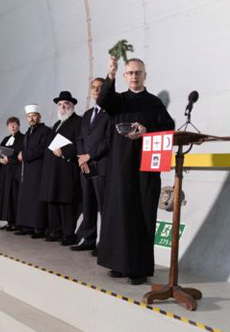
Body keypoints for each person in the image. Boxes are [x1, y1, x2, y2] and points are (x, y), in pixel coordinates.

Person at [96, 56, 175, 285]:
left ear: (145, 75)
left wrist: (146, 130)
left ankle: (139, 269)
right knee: (119, 214)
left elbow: (168, 128)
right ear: (124, 76)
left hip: (145, 169)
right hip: (120, 167)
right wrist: (110, 74)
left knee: (141, 215)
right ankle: (119, 264)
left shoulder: (154, 103)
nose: (134, 76)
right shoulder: (118, 101)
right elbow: (103, 100)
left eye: (138, 72)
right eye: (129, 73)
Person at [72, 78, 112, 253]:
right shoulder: (87, 114)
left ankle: (104, 244)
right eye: (93, 88)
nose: (96, 91)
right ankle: (88, 239)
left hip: (101, 165)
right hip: (86, 166)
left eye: (100, 88)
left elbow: (108, 140)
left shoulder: (111, 112)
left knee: (103, 206)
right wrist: (81, 157)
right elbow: (80, 138)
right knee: (88, 203)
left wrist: (90, 155)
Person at [39, 91, 83, 245]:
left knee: (66, 203)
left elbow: (81, 144)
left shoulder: (79, 122)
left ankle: (68, 235)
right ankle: (56, 231)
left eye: (66, 104)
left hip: (67, 168)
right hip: (53, 170)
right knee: (53, 201)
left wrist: (65, 151)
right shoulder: (57, 124)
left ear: (72, 106)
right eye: (60, 104)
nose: (62, 107)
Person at [15, 104, 52, 237]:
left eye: (34, 116)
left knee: (36, 199)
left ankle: (38, 228)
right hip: (28, 169)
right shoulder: (27, 133)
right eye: (29, 116)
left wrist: (24, 155)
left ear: (39, 117)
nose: (31, 119)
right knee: (27, 198)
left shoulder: (45, 131)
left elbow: (42, 148)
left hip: (38, 169)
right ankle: (27, 226)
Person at [0, 117, 25, 231]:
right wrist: (0, 160)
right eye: (10, 124)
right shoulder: (5, 139)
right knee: (7, 198)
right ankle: (9, 222)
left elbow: (21, 155)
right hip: (6, 173)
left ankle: (17, 223)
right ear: (8, 127)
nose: (12, 126)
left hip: (15, 173)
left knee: (15, 197)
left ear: (18, 125)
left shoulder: (22, 138)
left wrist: (10, 159)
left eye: (14, 124)